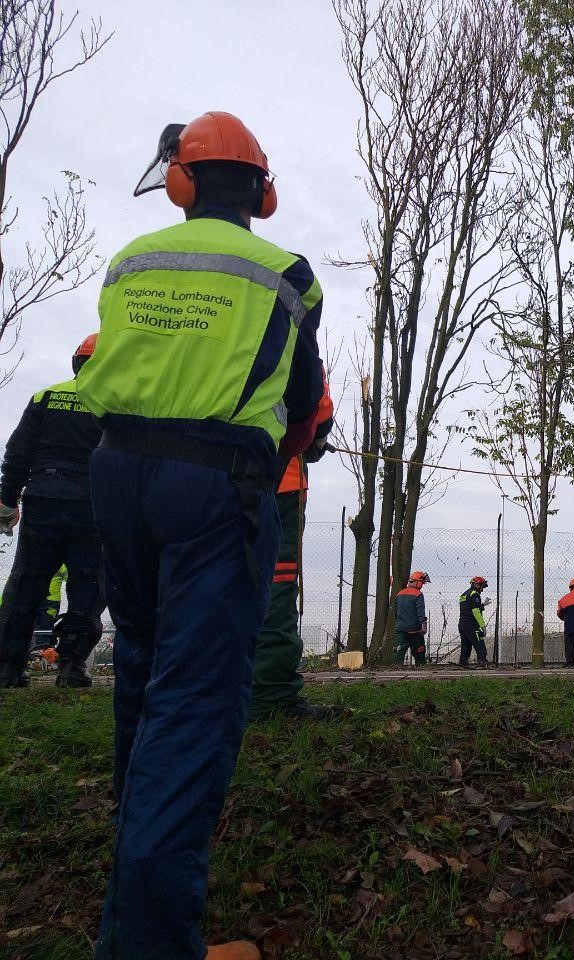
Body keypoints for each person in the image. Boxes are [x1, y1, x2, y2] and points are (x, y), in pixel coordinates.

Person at [76, 112, 325, 960]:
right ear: (262, 192)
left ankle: (126, 919)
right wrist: (270, 471)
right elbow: (305, 399)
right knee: (193, 708)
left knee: (141, 682)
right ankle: (151, 945)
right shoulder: (286, 273)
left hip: (114, 476)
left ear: (180, 183)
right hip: (216, 489)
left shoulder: (129, 261)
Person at [0, 336, 104, 689]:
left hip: (43, 499)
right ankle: (72, 667)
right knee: (87, 584)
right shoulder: (113, 403)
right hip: (92, 506)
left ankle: (8, 668)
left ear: (76, 362)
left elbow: (17, 454)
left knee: (27, 581)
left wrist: (7, 501)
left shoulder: (46, 397)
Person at [248, 375, 336, 721]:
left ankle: (198, 690)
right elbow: (316, 403)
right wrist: (312, 437)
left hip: (190, 471)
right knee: (275, 582)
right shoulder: (285, 322)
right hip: (275, 475)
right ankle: (270, 695)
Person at [395, 571, 431, 666]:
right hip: (415, 630)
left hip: (400, 629)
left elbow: (395, 612)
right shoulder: (418, 594)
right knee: (420, 653)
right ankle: (421, 668)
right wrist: (423, 625)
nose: (422, 585)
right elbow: (420, 613)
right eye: (422, 583)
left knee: (398, 654)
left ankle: (395, 671)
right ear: (417, 582)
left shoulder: (399, 594)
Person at [458, 575, 489, 668]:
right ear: (477, 585)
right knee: (479, 643)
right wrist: (482, 626)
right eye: (482, 587)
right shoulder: (474, 594)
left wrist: (482, 605)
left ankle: (463, 663)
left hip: (462, 623)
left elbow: (468, 608)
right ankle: (482, 661)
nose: (482, 590)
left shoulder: (464, 594)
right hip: (471, 624)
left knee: (465, 645)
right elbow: (475, 611)